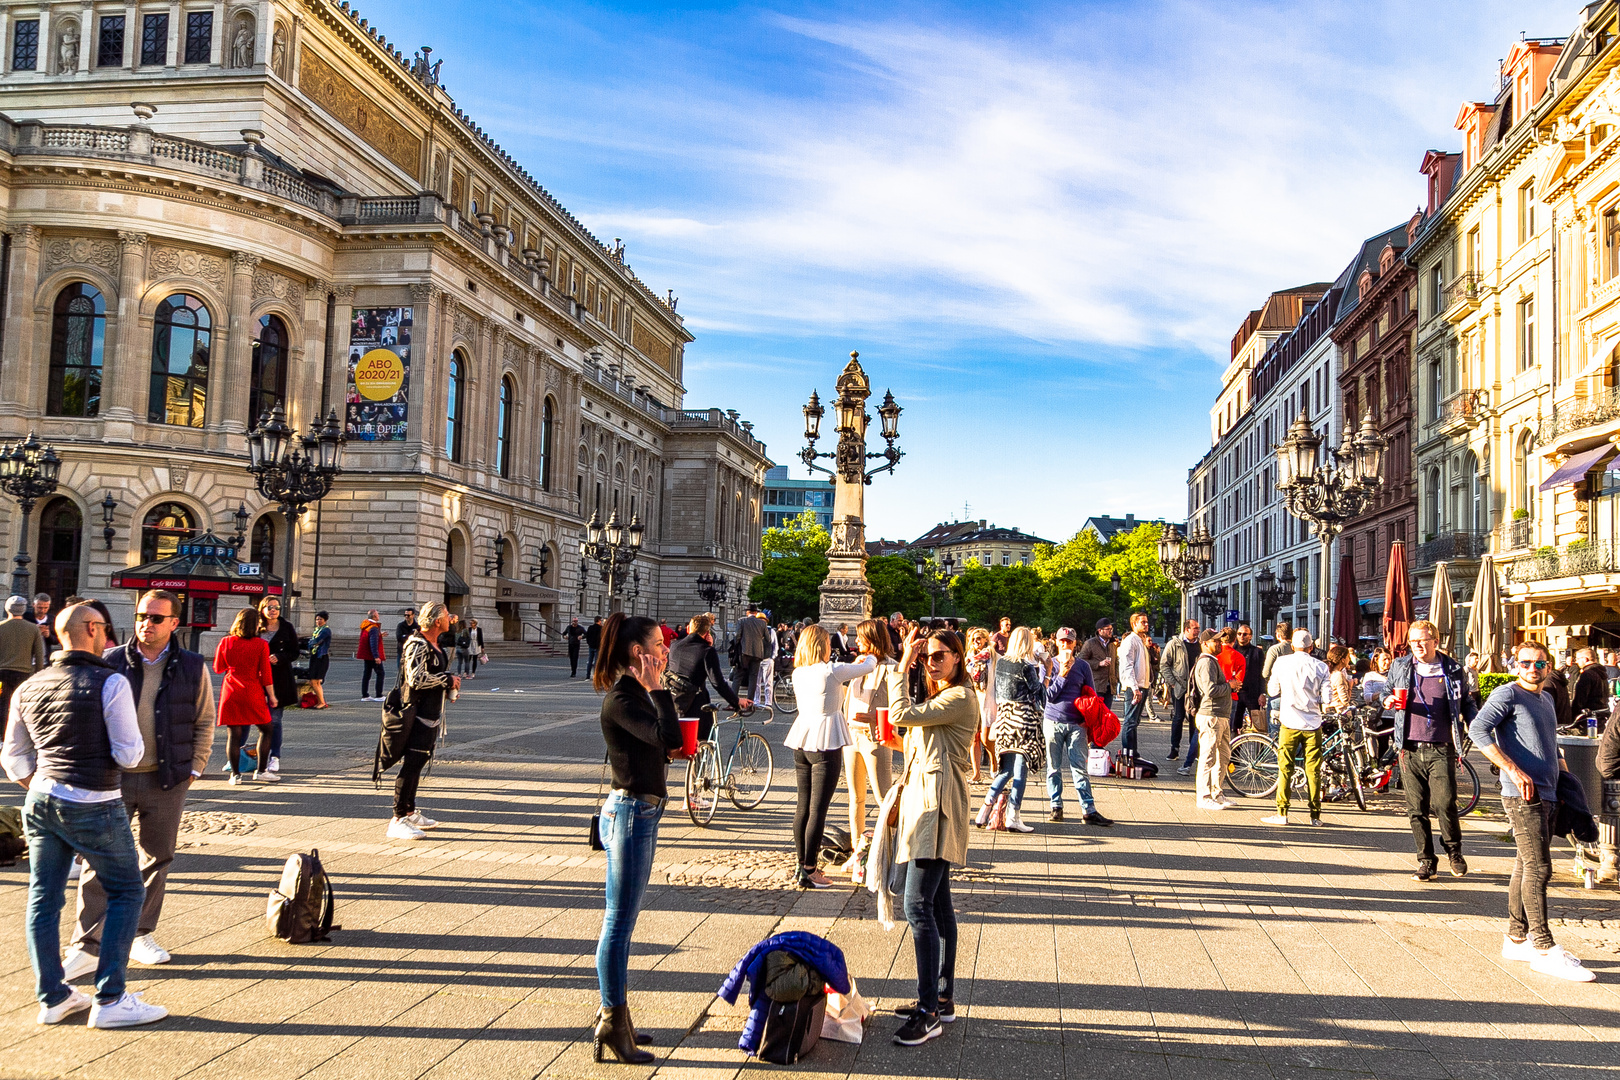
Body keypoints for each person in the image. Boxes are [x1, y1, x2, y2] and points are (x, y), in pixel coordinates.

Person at [3, 602, 168, 1028]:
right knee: (127, 892)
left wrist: (39, 781)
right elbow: (130, 753)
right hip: (94, 799)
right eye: (106, 627)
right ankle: (111, 999)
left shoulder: (31, 686)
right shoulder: (109, 682)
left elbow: (13, 756)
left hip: (40, 799)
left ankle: (53, 996)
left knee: (44, 897)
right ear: (93, 630)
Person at [63, 588, 214, 980]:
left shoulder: (193, 666)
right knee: (99, 859)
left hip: (166, 779)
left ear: (174, 623)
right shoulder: (110, 660)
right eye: (142, 616)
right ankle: (86, 945)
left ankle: (139, 934)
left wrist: (194, 768)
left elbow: (204, 720)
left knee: (156, 857)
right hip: (112, 778)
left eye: (156, 618)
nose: (147, 624)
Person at [1469, 641, 1595, 982]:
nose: (1532, 668)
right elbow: (1477, 729)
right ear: (1516, 665)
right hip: (1521, 794)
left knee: (1525, 865)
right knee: (1540, 868)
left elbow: (1550, 740)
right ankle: (1543, 948)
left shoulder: (1547, 698)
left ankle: (1516, 937)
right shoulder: (1507, 695)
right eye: (1525, 662)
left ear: (1549, 667)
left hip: (1550, 791)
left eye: (1540, 663)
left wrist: (1566, 776)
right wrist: (1512, 769)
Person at [590, 613, 680, 1063]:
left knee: (623, 920)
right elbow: (667, 736)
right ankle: (611, 1018)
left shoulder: (635, 694)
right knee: (618, 923)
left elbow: (666, 743)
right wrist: (660, 689)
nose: (666, 651)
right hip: (629, 815)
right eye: (659, 644)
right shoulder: (622, 700)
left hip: (640, 810)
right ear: (636, 652)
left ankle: (619, 1018)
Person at [884, 626, 977, 1046]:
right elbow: (912, 739)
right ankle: (942, 998)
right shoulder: (943, 697)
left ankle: (928, 1012)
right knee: (939, 906)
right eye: (927, 656)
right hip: (925, 801)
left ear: (958, 658)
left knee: (916, 905)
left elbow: (900, 716)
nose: (931, 661)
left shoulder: (958, 698)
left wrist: (903, 663)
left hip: (937, 807)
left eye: (940, 655)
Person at [1383, 620, 1476, 882]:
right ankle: (1426, 861)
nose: (1418, 646)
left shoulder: (1453, 668)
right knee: (1416, 809)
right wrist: (1387, 699)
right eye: (1413, 642)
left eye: (1423, 640)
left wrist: (1477, 722)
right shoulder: (1401, 665)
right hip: (1409, 746)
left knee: (1445, 803)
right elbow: (1386, 693)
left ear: (1435, 641)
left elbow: (1466, 700)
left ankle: (1454, 852)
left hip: (1441, 746)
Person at [785, 625, 874, 888]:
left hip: (803, 739)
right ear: (822, 645)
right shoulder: (831, 670)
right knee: (817, 810)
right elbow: (869, 665)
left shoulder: (799, 672)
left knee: (803, 807)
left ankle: (801, 864)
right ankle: (811, 870)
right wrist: (865, 656)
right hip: (826, 741)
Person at [390, 601, 459, 840]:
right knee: (411, 765)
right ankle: (397, 818)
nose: (451, 618)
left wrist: (448, 680)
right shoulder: (417, 642)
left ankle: (409, 811)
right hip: (415, 713)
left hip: (430, 713)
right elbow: (416, 678)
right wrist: (447, 681)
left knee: (419, 762)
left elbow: (434, 673)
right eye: (447, 615)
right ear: (437, 620)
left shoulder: (434, 643)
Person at [978, 627, 1046, 833]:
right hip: (1023, 719)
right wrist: (1048, 670)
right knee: (1020, 769)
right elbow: (1041, 693)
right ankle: (1013, 816)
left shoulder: (1002, 663)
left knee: (1005, 769)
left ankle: (984, 810)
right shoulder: (1026, 667)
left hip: (1005, 719)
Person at [1043, 627, 1111, 825]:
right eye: (1062, 641)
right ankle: (1056, 806)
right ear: (1056, 642)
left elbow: (1091, 694)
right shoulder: (1049, 665)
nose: (1065, 645)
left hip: (1076, 724)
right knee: (1054, 768)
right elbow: (1047, 696)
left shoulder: (1082, 666)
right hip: (1053, 721)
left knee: (1079, 768)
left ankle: (1088, 809)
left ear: (1075, 644)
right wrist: (1062, 674)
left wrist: (1088, 719)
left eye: (1069, 642)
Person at [843, 619, 899, 847]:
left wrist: (875, 718)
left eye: (860, 637)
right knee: (855, 797)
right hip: (851, 736)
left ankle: (892, 846)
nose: (855, 641)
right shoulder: (858, 664)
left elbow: (902, 707)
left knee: (883, 797)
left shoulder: (892, 667)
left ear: (873, 639)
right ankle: (857, 849)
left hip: (875, 736)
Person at [1264, 630, 1328, 826]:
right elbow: (1327, 699)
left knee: (1285, 768)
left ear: (1292, 646)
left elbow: (1272, 690)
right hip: (1313, 724)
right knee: (1313, 770)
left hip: (1289, 723)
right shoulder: (1321, 666)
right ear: (1311, 647)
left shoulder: (1282, 662)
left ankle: (1282, 813)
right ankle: (1315, 816)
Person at [213, 608, 278, 785]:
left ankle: (235, 775)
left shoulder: (226, 642)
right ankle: (261, 770)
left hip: (231, 691)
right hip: (252, 690)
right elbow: (266, 674)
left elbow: (218, 667)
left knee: (234, 734)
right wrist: (272, 696)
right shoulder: (261, 645)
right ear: (254, 625)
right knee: (266, 729)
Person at [665, 613, 746, 743]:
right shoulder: (706, 651)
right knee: (704, 742)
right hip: (696, 705)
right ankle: (704, 758)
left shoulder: (674, 646)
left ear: (689, 629)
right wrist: (735, 701)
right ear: (707, 632)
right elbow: (718, 683)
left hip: (674, 701)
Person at [1189, 629, 1235, 810]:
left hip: (1220, 715)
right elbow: (1210, 690)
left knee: (1223, 756)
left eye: (1220, 640)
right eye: (1215, 641)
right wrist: (1229, 686)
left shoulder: (1212, 661)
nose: (1219, 644)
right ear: (1205, 644)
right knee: (1208, 757)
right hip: (1211, 715)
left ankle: (1217, 792)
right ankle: (1204, 795)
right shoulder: (1206, 662)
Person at [257, 596, 298, 775]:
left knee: (275, 720)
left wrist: (280, 657)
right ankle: (242, 756)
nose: (273, 610)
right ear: (263, 608)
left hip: (279, 678)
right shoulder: (256, 626)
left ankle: (275, 756)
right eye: (270, 607)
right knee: (248, 720)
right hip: (257, 678)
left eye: (276, 607)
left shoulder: (286, 627)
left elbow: (295, 652)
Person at [0, 594, 47, 735]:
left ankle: (2, 736)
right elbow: (40, 655)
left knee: (2, 704)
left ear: (7, 609)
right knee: (21, 706)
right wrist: (38, 676)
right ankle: (18, 735)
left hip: (2, 674)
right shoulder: (33, 629)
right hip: (23, 675)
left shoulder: (1, 627)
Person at [1161, 618, 1199, 764]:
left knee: (1194, 719)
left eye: (1198, 628)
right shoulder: (1175, 644)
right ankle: (1174, 748)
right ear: (1186, 629)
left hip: (1196, 689)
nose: (1197, 631)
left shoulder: (1201, 645)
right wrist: (1172, 683)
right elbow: (1164, 664)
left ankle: (1194, 749)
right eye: (1194, 628)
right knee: (1178, 717)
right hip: (1180, 687)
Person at [1117, 613, 1151, 754]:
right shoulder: (1130, 640)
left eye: (1147, 622)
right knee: (1130, 721)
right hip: (1134, 687)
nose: (1146, 624)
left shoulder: (1140, 641)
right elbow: (1127, 666)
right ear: (1134, 624)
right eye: (1142, 622)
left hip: (1142, 686)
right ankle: (1128, 752)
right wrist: (1134, 687)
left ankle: (1133, 752)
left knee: (1134, 722)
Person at [1234, 624, 1266, 733]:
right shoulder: (1232, 651)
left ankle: (1260, 747)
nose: (1242, 636)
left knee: (1258, 725)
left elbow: (1262, 674)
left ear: (1250, 636)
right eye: (1239, 634)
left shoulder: (1257, 652)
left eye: (1245, 634)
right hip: (1236, 693)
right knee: (1234, 725)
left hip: (1252, 694)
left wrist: (1262, 693)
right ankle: (1235, 749)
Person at [1079, 619, 1115, 702]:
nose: (1110, 631)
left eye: (1111, 629)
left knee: (1106, 713)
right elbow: (1081, 661)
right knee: (1095, 713)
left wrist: (1115, 679)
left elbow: (1115, 663)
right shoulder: (1090, 643)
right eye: (1108, 629)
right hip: (1096, 685)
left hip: (1110, 686)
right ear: (1099, 630)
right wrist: (1098, 663)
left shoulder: (1112, 644)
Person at [1571, 648, 1608, 722]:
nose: (1576, 661)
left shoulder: (1587, 674)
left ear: (1585, 659)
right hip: (1600, 715)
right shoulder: (1602, 673)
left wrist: (1573, 715)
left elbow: (1580, 699)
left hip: (1587, 717)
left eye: (1578, 659)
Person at [356, 610, 386, 701]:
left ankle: (365, 695)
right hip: (372, 655)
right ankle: (379, 695)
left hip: (367, 654)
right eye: (377, 615)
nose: (378, 616)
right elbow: (373, 642)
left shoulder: (366, 626)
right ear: (374, 617)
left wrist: (379, 635)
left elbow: (368, 638)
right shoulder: (373, 628)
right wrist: (376, 656)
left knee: (367, 674)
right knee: (380, 673)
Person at [307, 612, 331, 708]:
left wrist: (311, 643)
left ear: (325, 620)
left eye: (320, 619)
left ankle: (321, 702)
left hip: (321, 657)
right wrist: (311, 643)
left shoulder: (325, 630)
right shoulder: (317, 630)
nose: (318, 621)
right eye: (317, 619)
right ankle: (321, 701)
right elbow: (312, 643)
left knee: (315, 681)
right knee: (314, 681)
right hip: (315, 656)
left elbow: (316, 641)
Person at [1326, 645, 1355, 713]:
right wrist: (1350, 686)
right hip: (1340, 711)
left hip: (1330, 709)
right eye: (1348, 657)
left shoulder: (1329, 673)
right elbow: (1345, 700)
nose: (1349, 659)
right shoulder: (1339, 675)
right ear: (1343, 660)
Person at [34, 592, 60, 657]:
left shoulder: (52, 619)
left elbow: (57, 640)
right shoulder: (26, 618)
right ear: (33, 605)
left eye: (46, 608)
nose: (42, 610)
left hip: (45, 656)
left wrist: (48, 635)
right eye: (39, 607)